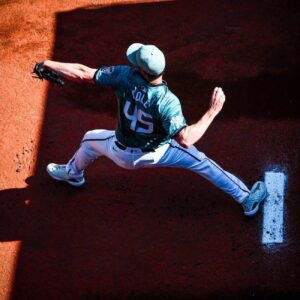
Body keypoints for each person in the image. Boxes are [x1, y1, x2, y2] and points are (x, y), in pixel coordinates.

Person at [39, 43, 267, 216]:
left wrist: (48, 64)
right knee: (202, 162)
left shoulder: (124, 75)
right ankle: (246, 198)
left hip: (118, 151)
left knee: (89, 141)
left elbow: (81, 72)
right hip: (156, 154)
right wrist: (212, 111)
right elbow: (186, 139)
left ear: (142, 71)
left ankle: (73, 173)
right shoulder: (167, 101)